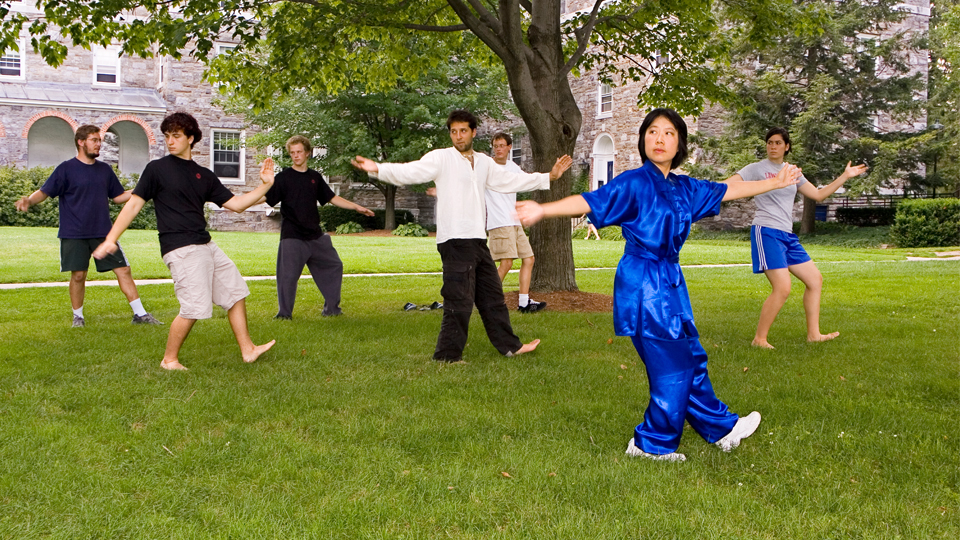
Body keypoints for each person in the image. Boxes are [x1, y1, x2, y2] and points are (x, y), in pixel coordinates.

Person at [516, 108, 802, 462]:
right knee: (673, 365)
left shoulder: (683, 187)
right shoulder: (634, 182)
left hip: (670, 281)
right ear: (643, 140)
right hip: (643, 282)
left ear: (679, 142)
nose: (659, 139)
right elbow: (590, 201)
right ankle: (650, 443)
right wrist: (544, 211)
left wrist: (776, 182)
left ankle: (722, 428)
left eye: (668, 133)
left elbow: (728, 189)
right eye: (652, 132)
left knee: (692, 355)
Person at [351, 109, 572, 362]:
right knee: (459, 300)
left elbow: (510, 181)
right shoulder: (441, 158)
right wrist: (378, 168)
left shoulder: (484, 162)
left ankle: (511, 346)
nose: (458, 136)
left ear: (473, 132)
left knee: (492, 297)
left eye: (463, 131)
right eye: (453, 132)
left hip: (477, 240)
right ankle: (447, 356)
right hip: (454, 240)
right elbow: (411, 171)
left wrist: (549, 176)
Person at [92, 112, 275, 371]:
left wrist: (266, 186)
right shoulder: (157, 169)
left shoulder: (204, 175)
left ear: (191, 138)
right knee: (194, 307)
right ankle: (169, 360)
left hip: (205, 244)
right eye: (167, 136)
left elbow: (236, 204)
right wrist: (112, 239)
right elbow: (133, 205)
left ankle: (248, 350)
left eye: (176, 136)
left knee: (235, 292)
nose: (170, 141)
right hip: (181, 247)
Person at [724, 127, 868, 349]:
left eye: (778, 143)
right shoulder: (756, 168)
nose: (773, 146)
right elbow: (728, 184)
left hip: (787, 235)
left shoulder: (792, 172)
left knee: (815, 280)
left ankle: (814, 334)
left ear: (786, 146)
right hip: (766, 231)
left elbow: (819, 194)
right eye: (770, 142)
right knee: (782, 288)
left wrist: (845, 176)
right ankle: (759, 339)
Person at [14, 124, 161, 328]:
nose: (98, 144)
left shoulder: (104, 170)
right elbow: (45, 191)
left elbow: (118, 197)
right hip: (73, 232)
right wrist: (29, 201)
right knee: (79, 275)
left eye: (99, 140)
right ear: (81, 142)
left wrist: (142, 189)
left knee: (123, 270)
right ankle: (78, 317)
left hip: (103, 233)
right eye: (94, 140)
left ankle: (140, 314)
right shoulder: (66, 169)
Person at [265, 135, 374, 320]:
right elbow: (266, 198)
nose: (296, 156)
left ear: (308, 153)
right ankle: (284, 314)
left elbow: (331, 198)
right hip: (292, 236)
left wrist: (356, 207)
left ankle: (332, 309)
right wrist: (241, 202)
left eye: (299, 152)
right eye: (292, 153)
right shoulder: (283, 177)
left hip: (315, 236)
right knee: (288, 277)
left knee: (334, 265)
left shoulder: (315, 177)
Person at [484, 132, 545, 313]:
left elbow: (528, 180)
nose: (498, 149)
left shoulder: (513, 167)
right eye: (496, 146)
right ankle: (486, 300)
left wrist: (550, 176)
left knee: (529, 258)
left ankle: (524, 303)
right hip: (499, 222)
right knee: (507, 263)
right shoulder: (487, 168)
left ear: (509, 147)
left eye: (502, 145)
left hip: (514, 222)